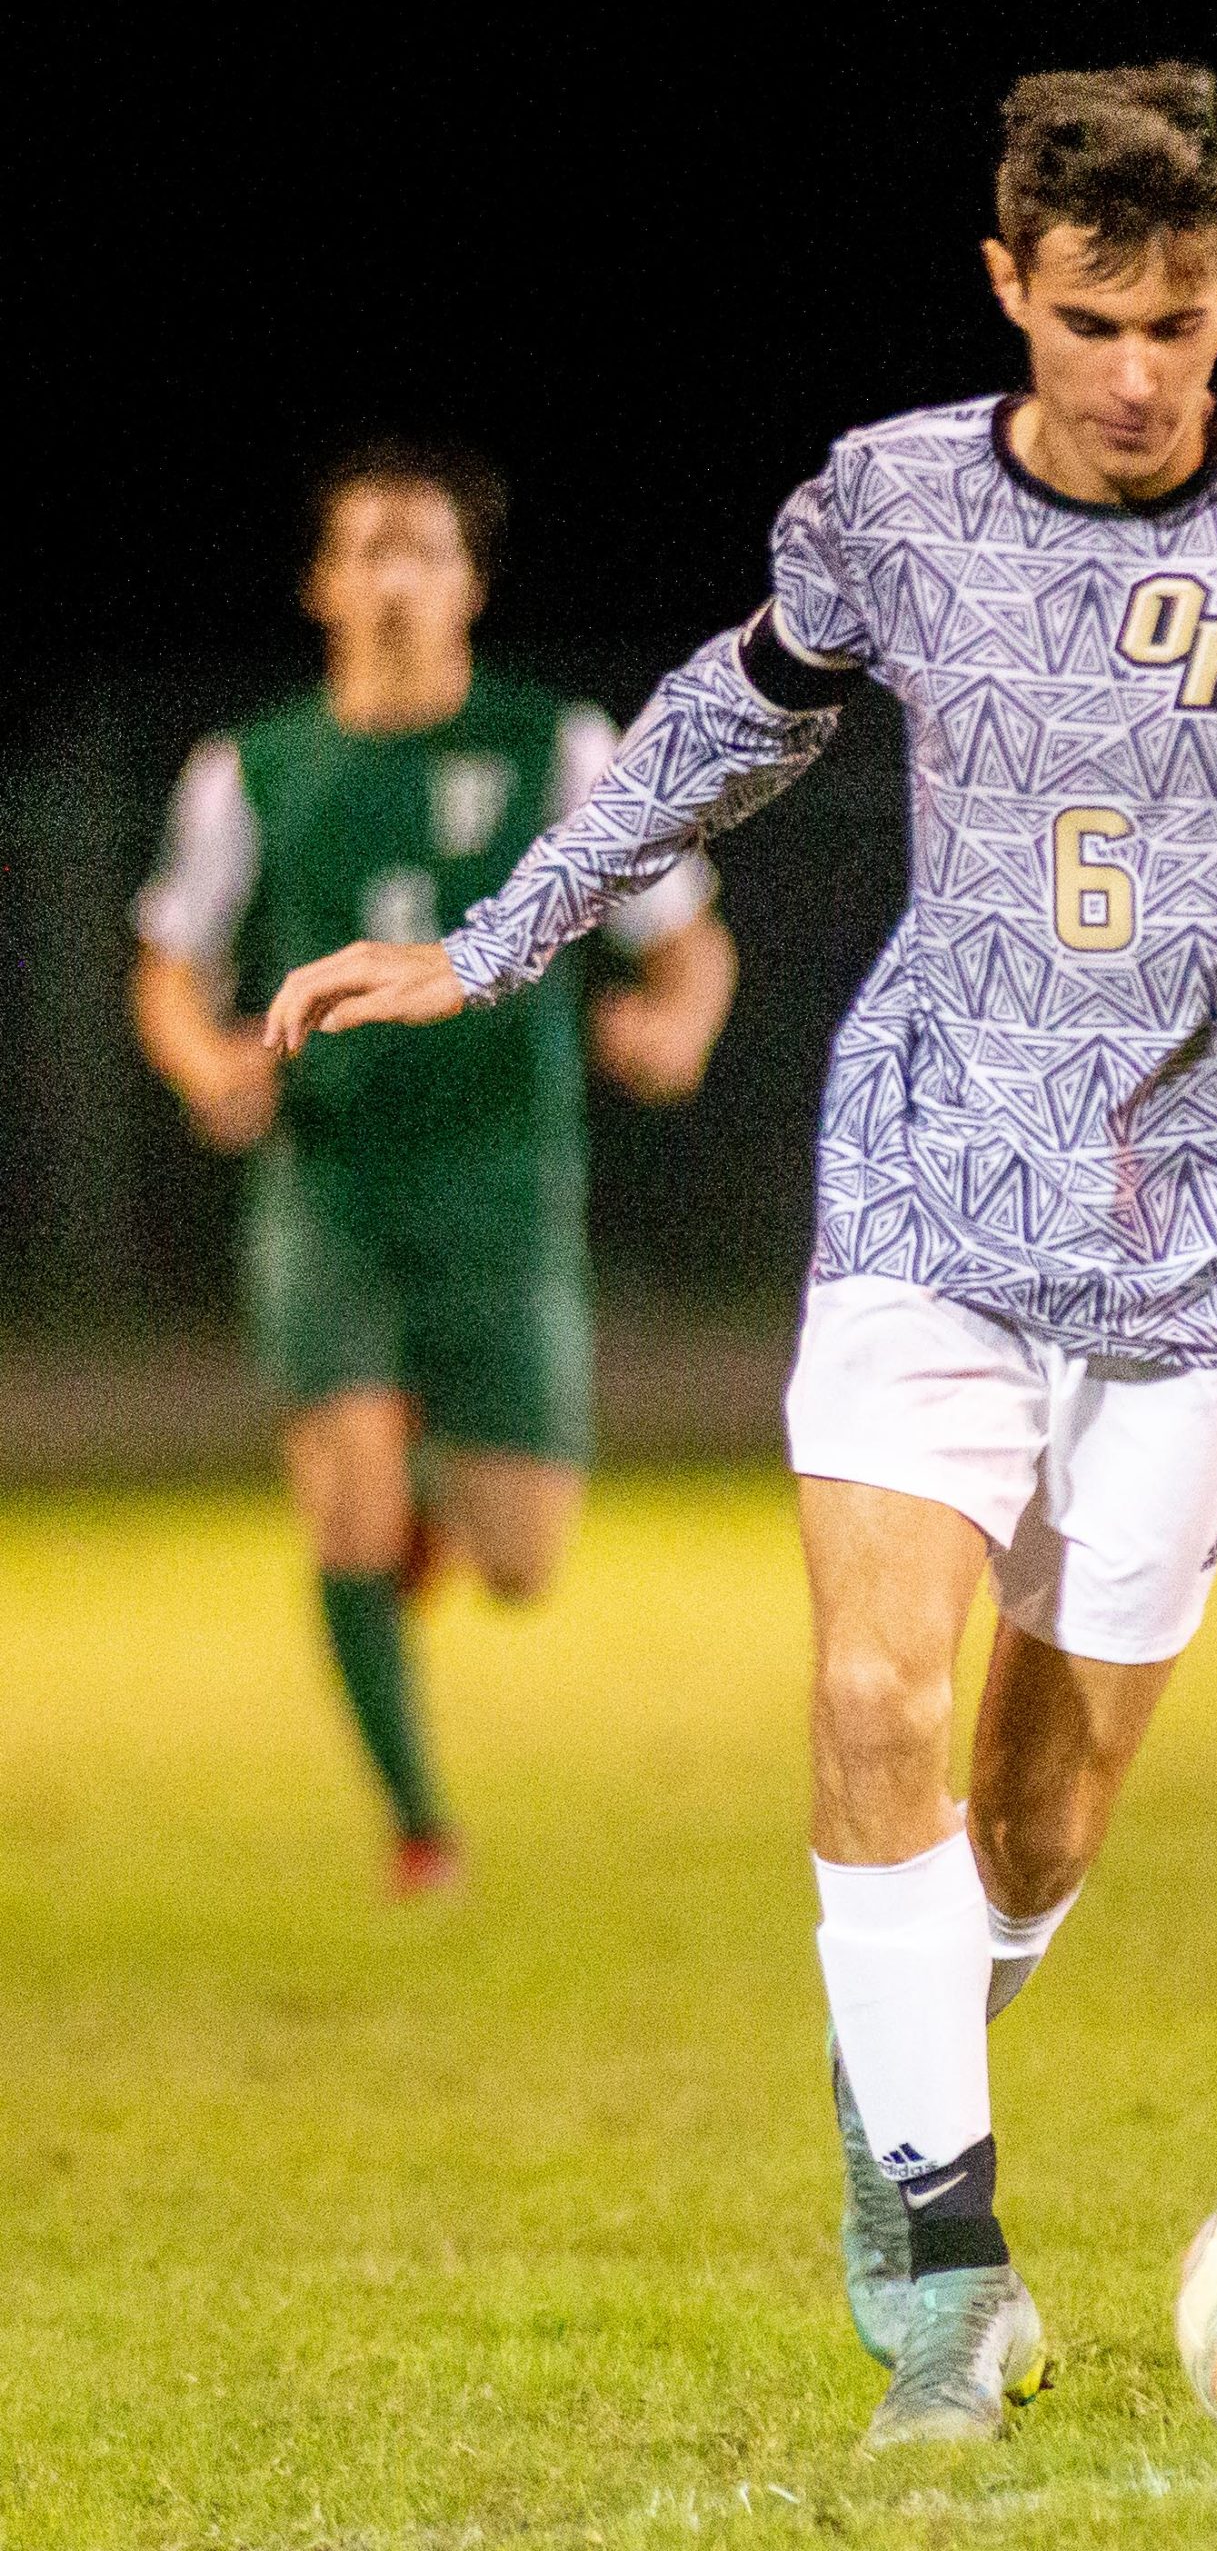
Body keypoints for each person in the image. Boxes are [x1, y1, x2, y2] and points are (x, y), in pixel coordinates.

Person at [262, 68, 1217, 2435]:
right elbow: (729, 710)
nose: (1130, 374)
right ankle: (942, 2277)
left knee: (1033, 1808)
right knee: (874, 1692)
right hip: (930, 1190)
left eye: (1178, 323)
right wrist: (500, 936)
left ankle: (907, 2096)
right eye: (1089, 318)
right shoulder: (888, 499)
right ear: (1006, 284)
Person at [134, 442, 737, 1895]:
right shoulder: (256, 768)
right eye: (369, 551)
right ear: (321, 585)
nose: (397, 579)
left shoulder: (559, 745)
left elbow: (689, 939)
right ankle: (420, 1826)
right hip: (330, 1183)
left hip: (504, 1189)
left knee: (520, 1562)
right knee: (339, 1506)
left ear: (470, 583)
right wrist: (200, 1060)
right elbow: (170, 962)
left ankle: (412, 1482)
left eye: (425, 551)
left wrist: (677, 1024)